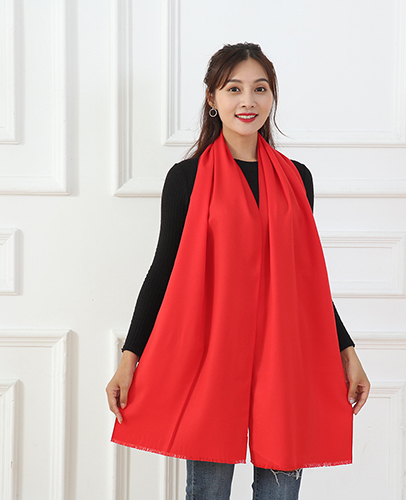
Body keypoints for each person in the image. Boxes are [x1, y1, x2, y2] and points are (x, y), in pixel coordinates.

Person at [106, 42, 370, 500]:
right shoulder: (186, 179)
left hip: (285, 352)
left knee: (280, 490)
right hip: (212, 353)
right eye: (234, 89)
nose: (248, 101)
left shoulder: (297, 177)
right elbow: (163, 271)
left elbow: (306, 280)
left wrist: (346, 350)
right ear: (212, 98)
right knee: (208, 489)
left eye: (259, 89)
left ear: (272, 97)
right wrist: (129, 359)